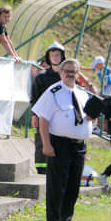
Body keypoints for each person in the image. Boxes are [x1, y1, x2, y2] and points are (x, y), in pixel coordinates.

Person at [33, 58, 94, 221]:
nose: (70, 75)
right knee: (57, 185)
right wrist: (46, 144)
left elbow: (85, 117)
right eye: (67, 71)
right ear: (61, 72)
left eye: (73, 72)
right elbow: (43, 119)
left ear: (78, 74)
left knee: (73, 186)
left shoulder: (82, 94)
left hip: (79, 146)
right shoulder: (53, 92)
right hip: (60, 144)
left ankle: (66, 220)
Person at [29, 41, 64, 174]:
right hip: (43, 115)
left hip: (60, 116)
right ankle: (41, 168)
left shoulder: (64, 77)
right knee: (41, 141)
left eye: (57, 55)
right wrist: (34, 115)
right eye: (52, 55)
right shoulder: (41, 77)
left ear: (62, 57)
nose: (55, 57)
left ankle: (56, 167)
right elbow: (35, 97)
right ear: (48, 58)